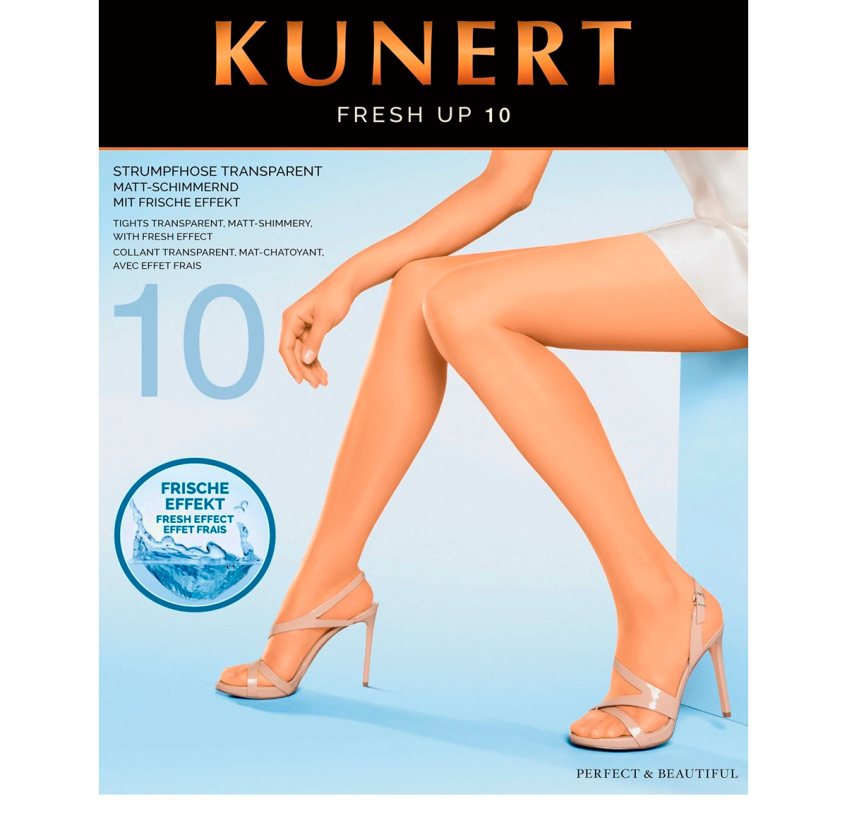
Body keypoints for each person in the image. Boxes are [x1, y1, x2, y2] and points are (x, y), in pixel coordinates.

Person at [216, 149, 748, 750]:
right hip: (723, 234)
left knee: (463, 304)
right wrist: (347, 279)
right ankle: (328, 578)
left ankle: (660, 596)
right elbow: (508, 183)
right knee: (420, 284)